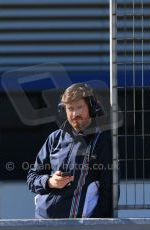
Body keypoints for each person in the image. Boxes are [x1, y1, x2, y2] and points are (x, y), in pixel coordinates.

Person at [27, 83, 114, 218]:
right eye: (70, 108)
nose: (75, 114)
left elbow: (109, 191)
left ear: (91, 108)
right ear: (64, 110)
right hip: (43, 221)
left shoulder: (102, 142)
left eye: (79, 107)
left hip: (80, 224)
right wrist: (50, 182)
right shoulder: (54, 138)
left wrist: (97, 223)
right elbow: (32, 178)